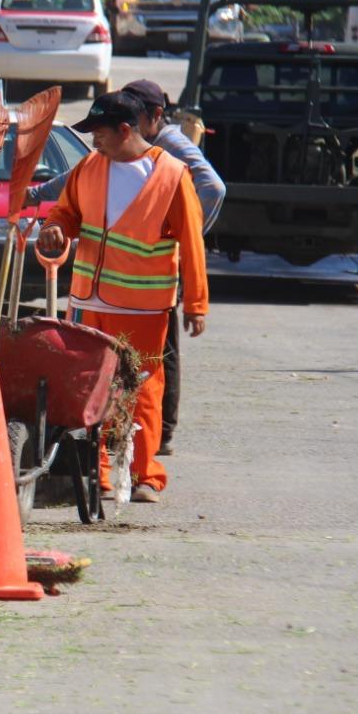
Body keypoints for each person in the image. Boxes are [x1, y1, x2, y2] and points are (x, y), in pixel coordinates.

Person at [32, 79, 225, 456]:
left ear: (125, 130)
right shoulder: (89, 166)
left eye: (98, 134)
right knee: (93, 384)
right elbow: (66, 212)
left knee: (142, 387)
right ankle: (100, 471)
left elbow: (192, 243)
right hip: (89, 302)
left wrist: (197, 304)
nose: (93, 142)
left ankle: (144, 474)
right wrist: (55, 228)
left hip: (143, 308)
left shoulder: (171, 174)